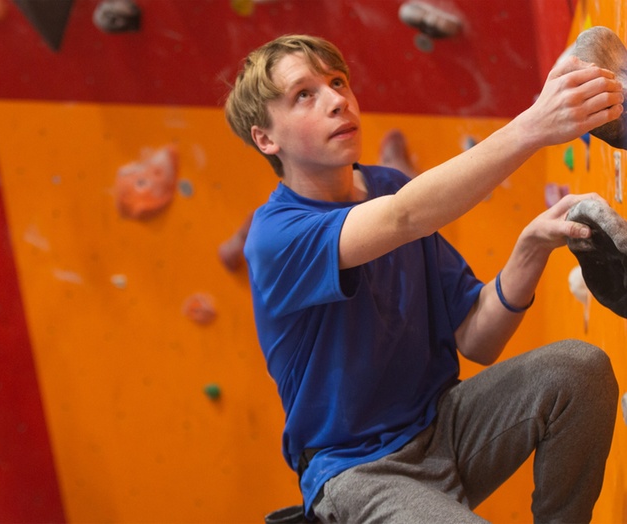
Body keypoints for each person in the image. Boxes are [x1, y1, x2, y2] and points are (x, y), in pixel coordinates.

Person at [224, 34, 622, 523]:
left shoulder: (389, 186)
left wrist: (530, 247)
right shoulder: (276, 236)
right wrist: (533, 126)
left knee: (577, 368)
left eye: (337, 82)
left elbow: (477, 338)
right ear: (266, 138)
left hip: (446, 427)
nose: (336, 101)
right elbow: (401, 219)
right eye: (303, 94)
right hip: (360, 472)